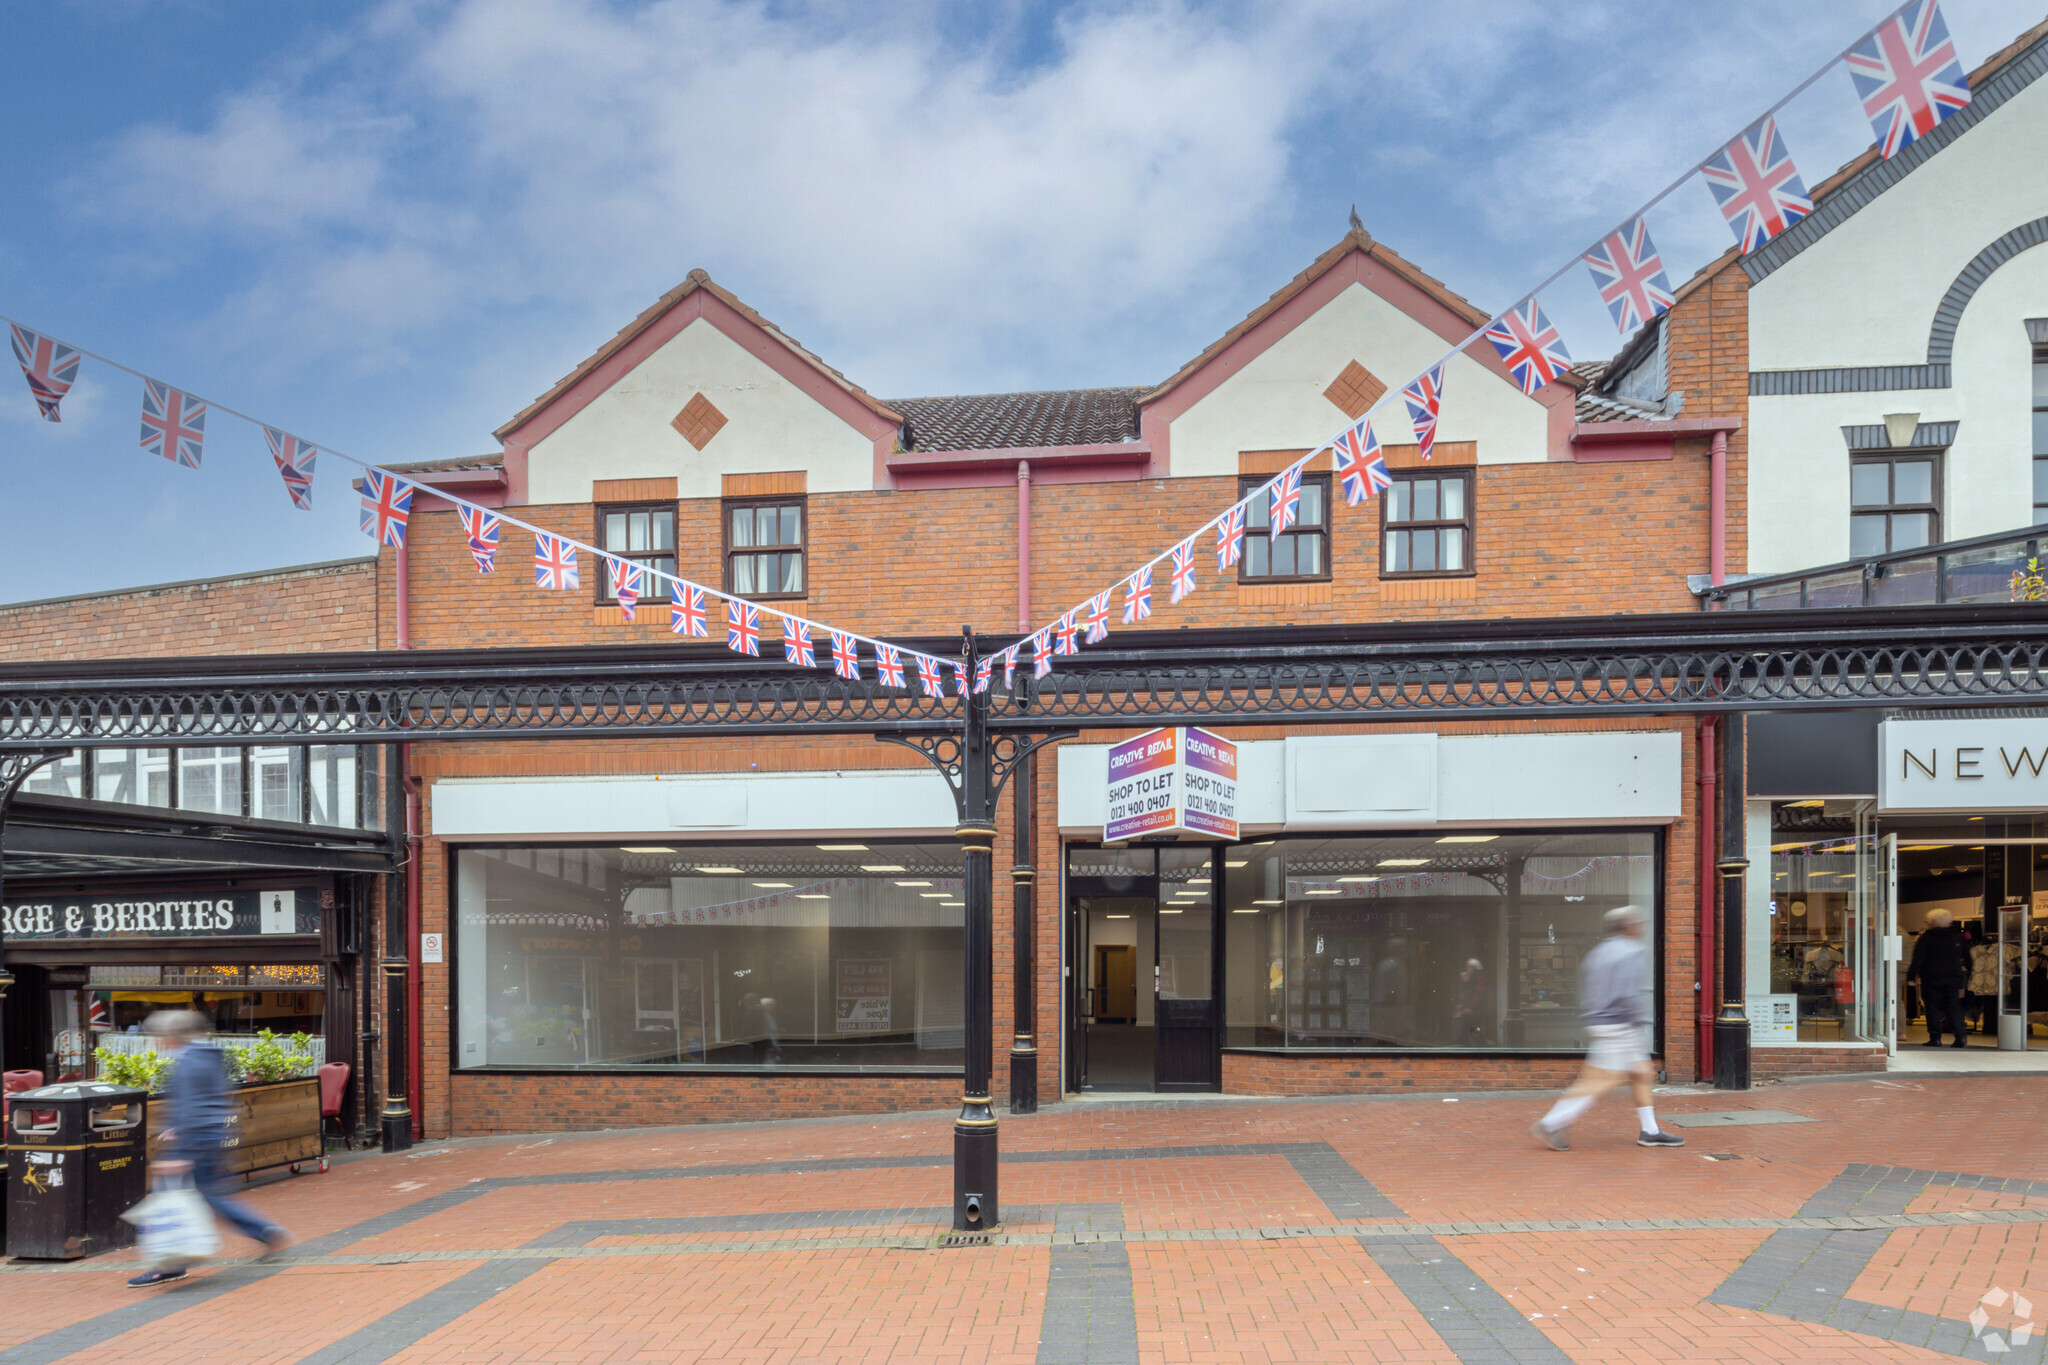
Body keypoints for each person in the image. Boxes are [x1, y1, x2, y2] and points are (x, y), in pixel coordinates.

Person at [127, 1010, 295, 1288]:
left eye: (158, 1037)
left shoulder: (187, 1063)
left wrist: (178, 1154)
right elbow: (206, 1101)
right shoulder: (209, 1057)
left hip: (193, 1143)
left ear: (171, 1036)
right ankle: (264, 1231)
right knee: (208, 1196)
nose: (156, 1042)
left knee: (161, 1204)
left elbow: (191, 1106)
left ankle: (167, 1265)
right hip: (210, 1136)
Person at [1530, 905, 1683, 1151]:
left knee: (1640, 1075)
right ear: (1630, 927)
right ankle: (1551, 1123)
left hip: (1602, 1022)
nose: (1642, 927)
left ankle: (1650, 1130)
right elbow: (1628, 994)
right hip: (1621, 1025)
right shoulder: (1630, 952)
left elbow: (1588, 991)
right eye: (1639, 923)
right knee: (1602, 1081)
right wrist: (1636, 1025)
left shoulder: (1598, 953)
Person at [1907, 909, 1970, 1048]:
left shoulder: (1926, 937)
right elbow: (1967, 958)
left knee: (1932, 1007)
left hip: (1931, 978)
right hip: (1953, 978)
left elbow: (1918, 958)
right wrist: (1967, 976)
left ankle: (1935, 1038)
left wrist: (1911, 976)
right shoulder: (1957, 937)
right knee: (1953, 1007)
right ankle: (1960, 1037)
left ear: (1933, 922)